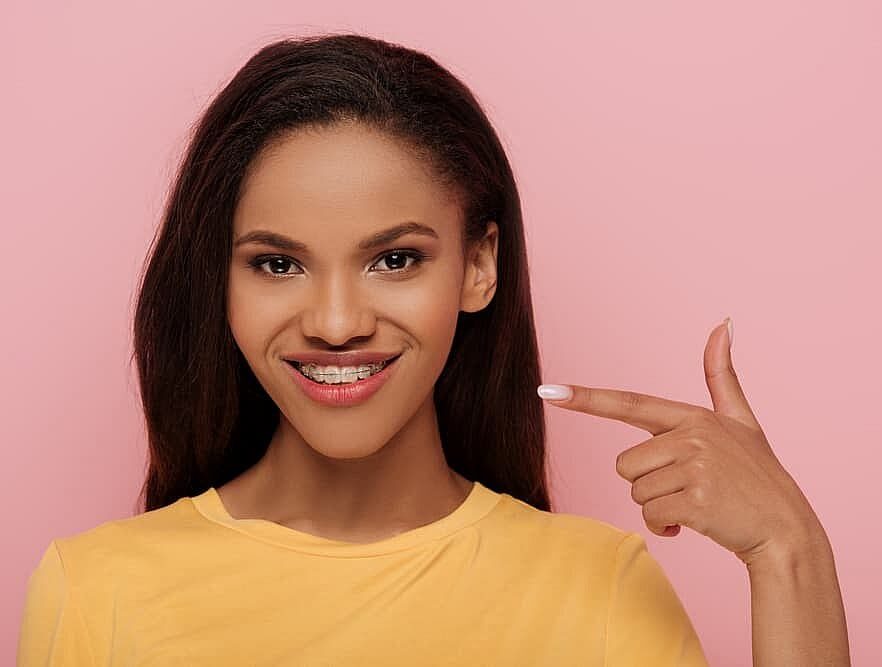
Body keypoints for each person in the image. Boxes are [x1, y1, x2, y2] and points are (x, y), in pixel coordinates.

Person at [17, 33, 849, 665]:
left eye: (394, 259)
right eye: (277, 262)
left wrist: (789, 549)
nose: (336, 321)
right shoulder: (96, 595)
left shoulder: (601, 591)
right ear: (219, 282)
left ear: (478, 266)